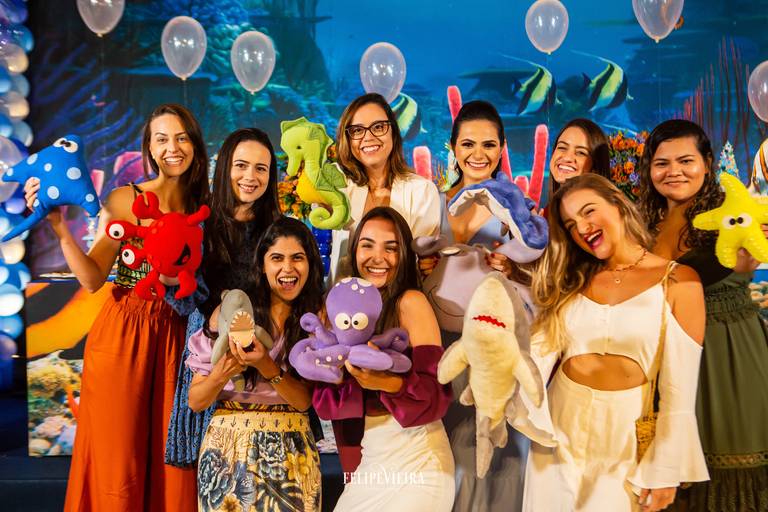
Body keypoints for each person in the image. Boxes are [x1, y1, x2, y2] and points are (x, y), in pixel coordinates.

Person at [24, 104, 209, 510]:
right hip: (124, 333)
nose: (172, 148)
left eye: (181, 137)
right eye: (161, 139)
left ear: (195, 144)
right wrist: (59, 227)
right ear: (149, 148)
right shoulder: (125, 199)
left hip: (181, 342)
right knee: (118, 459)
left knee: (174, 459)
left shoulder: (207, 208)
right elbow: (93, 278)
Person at [522, 174, 709, 511]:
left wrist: (666, 470)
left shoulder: (680, 281)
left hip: (625, 434)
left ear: (619, 205)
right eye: (571, 224)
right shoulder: (571, 279)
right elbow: (535, 357)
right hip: (559, 428)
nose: (582, 227)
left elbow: (679, 390)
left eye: (589, 211)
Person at [638, 119, 768, 511]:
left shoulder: (733, 214)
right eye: (662, 163)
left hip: (727, 352)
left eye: (686, 161)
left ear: (707, 164)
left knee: (731, 456)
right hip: (665, 357)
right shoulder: (642, 224)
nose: (674, 171)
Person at [419, 100, 530, 511]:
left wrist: (514, 268)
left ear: (502, 148)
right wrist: (419, 265)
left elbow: (540, 279)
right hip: (435, 349)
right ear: (452, 147)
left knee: (489, 461)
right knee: (442, 462)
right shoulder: (430, 202)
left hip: (491, 352)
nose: (478, 154)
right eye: (468, 144)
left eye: (488, 144)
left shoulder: (516, 209)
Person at [314, 207, 455, 511]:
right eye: (367, 245)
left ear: (403, 255)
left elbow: (438, 395)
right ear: (354, 250)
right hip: (370, 460)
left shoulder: (410, 302)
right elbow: (327, 403)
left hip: (418, 459)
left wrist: (384, 382)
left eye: (390, 248)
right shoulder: (338, 311)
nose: (378, 257)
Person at [186, 216, 325, 512]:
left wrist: (266, 365)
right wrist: (222, 372)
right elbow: (196, 401)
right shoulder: (232, 312)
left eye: (297, 258)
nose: (287, 268)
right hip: (226, 452)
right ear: (262, 264)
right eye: (277, 258)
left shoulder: (316, 320)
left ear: (310, 264)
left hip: (292, 453)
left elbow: (303, 401)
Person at [165, 128, 281, 467]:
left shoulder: (278, 229)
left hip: (265, 350)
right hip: (210, 355)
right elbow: (186, 304)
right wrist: (170, 278)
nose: (250, 177)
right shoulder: (200, 226)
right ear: (225, 167)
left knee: (263, 465)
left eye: (261, 168)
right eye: (241, 165)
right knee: (215, 467)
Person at [329, 93, 441, 283]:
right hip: (338, 296)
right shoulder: (335, 184)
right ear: (347, 138)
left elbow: (423, 263)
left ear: (393, 133)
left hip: (400, 297)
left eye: (378, 127)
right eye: (357, 130)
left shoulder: (422, 191)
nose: (368, 137)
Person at [546, 118, 610, 205]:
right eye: (562, 147)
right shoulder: (549, 211)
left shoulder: (601, 211)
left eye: (580, 153)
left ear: (595, 167)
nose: (567, 158)